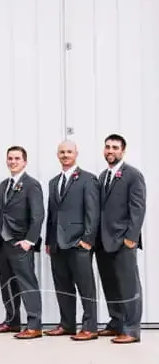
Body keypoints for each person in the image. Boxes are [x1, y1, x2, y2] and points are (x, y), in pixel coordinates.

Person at [43, 140, 100, 341]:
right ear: (57, 155)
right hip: (57, 244)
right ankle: (67, 324)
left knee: (86, 287)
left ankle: (90, 327)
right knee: (63, 286)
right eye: (61, 152)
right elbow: (52, 214)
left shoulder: (88, 179)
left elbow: (92, 212)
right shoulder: (53, 182)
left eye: (69, 152)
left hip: (78, 243)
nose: (65, 155)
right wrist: (49, 241)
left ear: (76, 153)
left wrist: (87, 240)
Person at [0, 147, 44, 339]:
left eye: (17, 159)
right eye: (10, 158)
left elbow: (38, 216)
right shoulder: (4, 185)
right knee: (7, 284)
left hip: (20, 243)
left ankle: (34, 325)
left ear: (25, 162)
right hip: (3, 244)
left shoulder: (31, 185)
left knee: (27, 284)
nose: (13, 162)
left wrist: (29, 241)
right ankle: (12, 321)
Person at [95, 133, 146, 344]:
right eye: (107, 147)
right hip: (104, 241)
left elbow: (138, 208)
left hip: (124, 240)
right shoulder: (102, 176)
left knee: (128, 285)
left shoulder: (133, 175)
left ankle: (131, 329)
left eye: (115, 147)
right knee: (110, 284)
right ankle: (116, 322)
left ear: (122, 151)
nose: (110, 151)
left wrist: (131, 238)